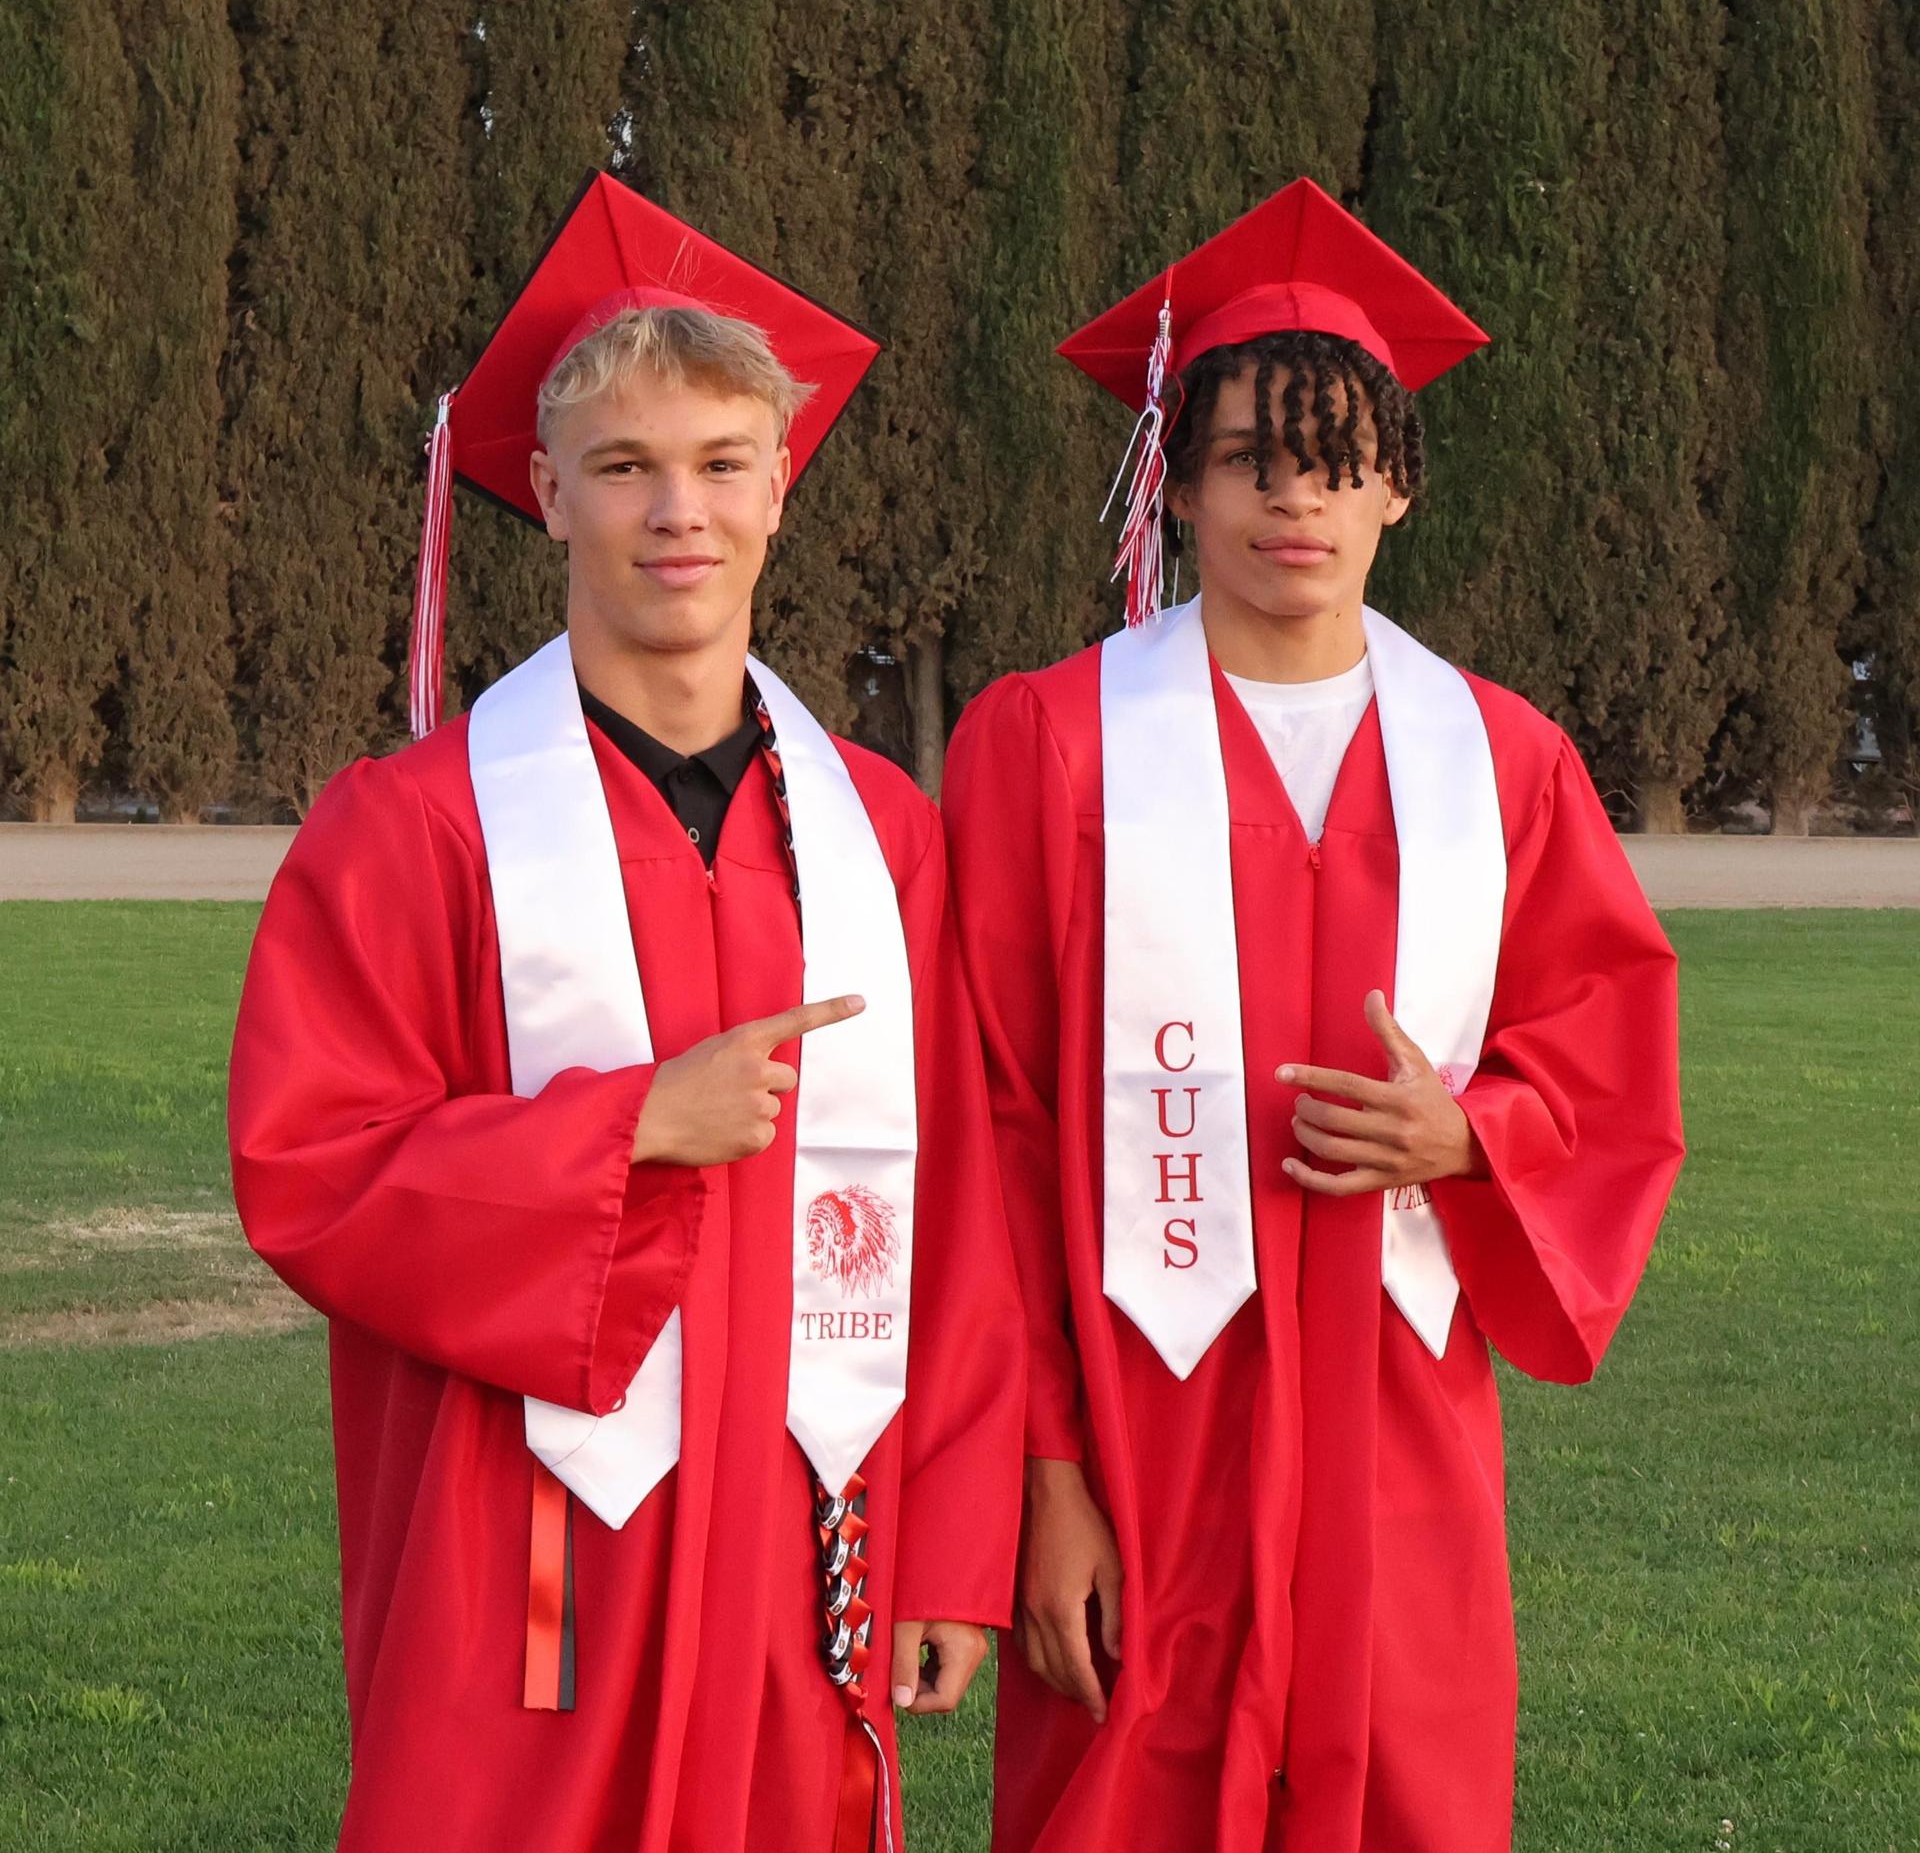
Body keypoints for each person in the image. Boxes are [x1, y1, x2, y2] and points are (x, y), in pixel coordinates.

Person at [229, 171, 1022, 1853]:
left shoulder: (879, 828)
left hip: (814, 1522)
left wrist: (951, 1541)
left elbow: (960, 1206)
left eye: (722, 464)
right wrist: (625, 1126)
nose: (681, 512)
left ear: (781, 488)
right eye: (627, 469)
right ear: (545, 494)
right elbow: (308, 1165)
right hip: (528, 1538)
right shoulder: (415, 823)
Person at [943, 177, 1685, 1852]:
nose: (1298, 502)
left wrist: (1473, 1133)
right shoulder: (1047, 746)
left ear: (1399, 491)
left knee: (1407, 1795)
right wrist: (1040, 1480)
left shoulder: (1500, 763)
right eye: (1250, 460)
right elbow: (993, 1120)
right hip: (1140, 1426)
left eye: (1340, 461)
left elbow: (1606, 1067)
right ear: (1180, 485)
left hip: (1397, 1430)